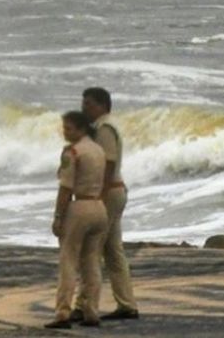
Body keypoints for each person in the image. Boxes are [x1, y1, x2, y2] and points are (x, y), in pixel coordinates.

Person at [75, 86, 139, 322]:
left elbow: (108, 163)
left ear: (103, 105)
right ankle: (126, 303)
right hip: (115, 191)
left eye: (89, 104)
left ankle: (83, 305)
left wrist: (98, 197)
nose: (84, 108)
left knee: (91, 249)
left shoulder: (104, 128)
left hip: (109, 193)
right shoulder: (105, 126)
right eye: (83, 103)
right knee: (113, 250)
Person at [45, 110, 108, 329]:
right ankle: (91, 310)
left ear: (80, 129)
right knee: (92, 261)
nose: (65, 132)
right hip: (99, 207)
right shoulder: (99, 150)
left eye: (68, 128)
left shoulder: (73, 152)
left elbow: (65, 188)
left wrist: (58, 216)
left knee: (69, 261)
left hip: (79, 206)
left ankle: (63, 312)